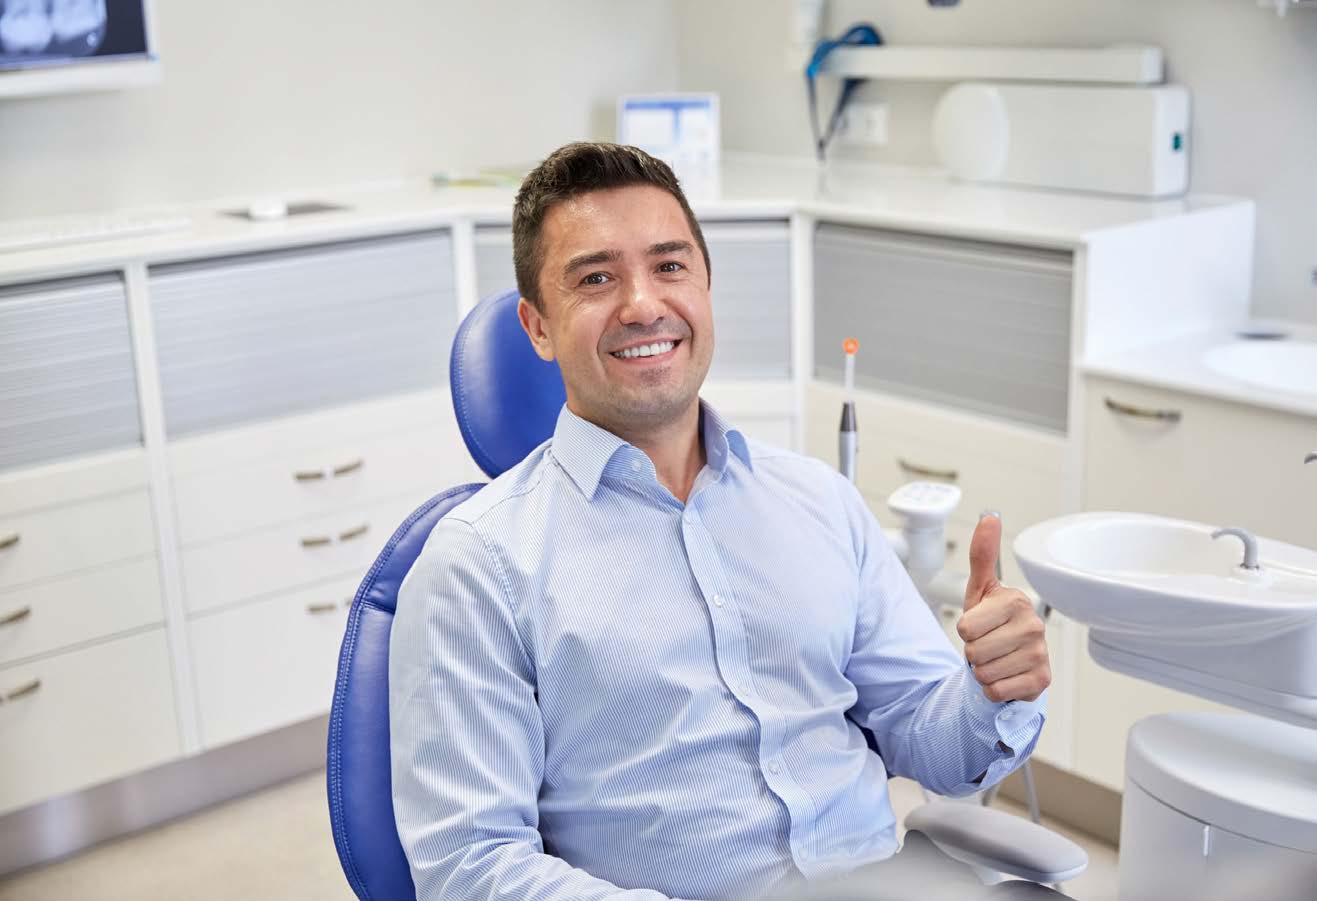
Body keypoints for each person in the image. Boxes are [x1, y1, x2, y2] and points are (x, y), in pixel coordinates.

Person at [389, 142, 1051, 901]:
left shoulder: (818, 500)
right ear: (537, 328)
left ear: (705, 289)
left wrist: (989, 692)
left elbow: (923, 732)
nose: (642, 303)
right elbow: (469, 865)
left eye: (669, 266)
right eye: (596, 277)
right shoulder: (478, 564)